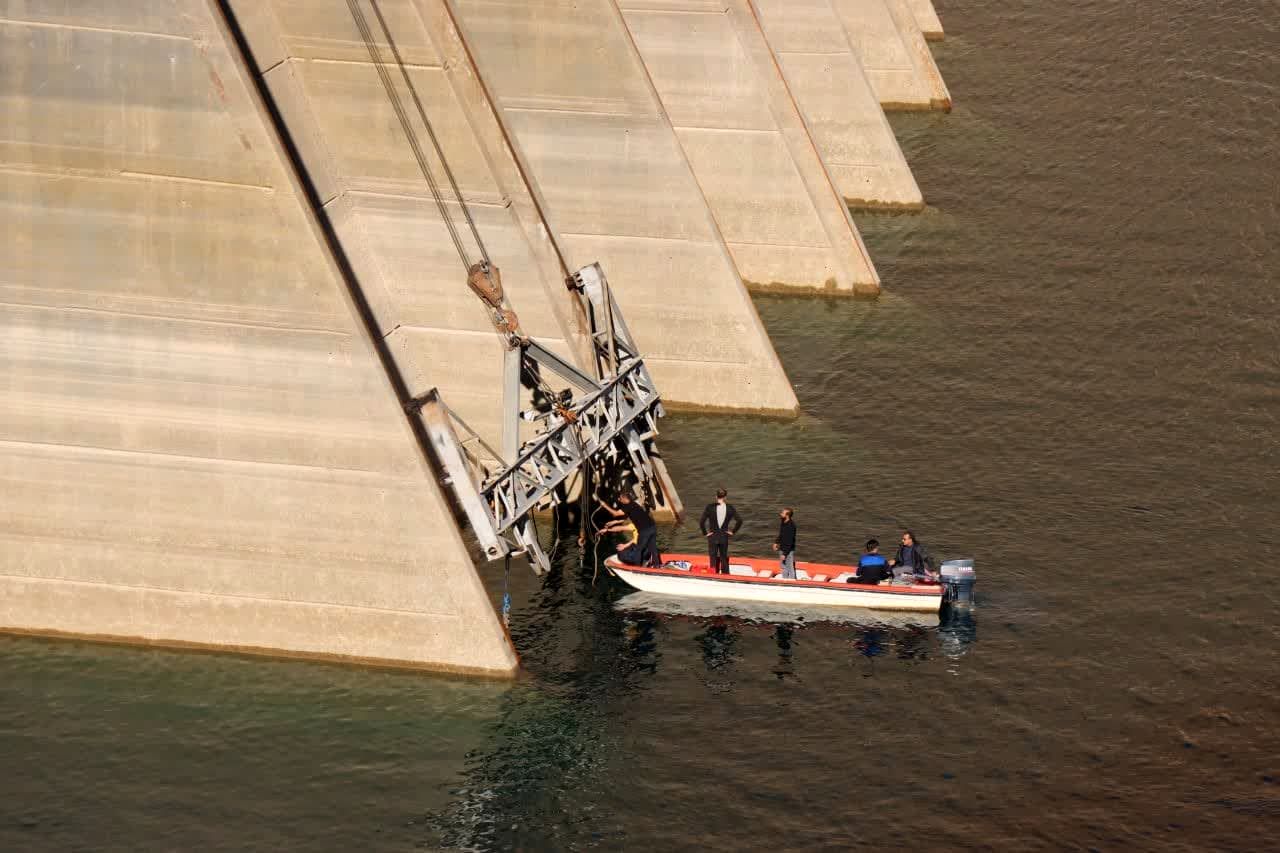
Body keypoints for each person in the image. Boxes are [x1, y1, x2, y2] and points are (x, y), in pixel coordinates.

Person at [601, 492, 659, 567]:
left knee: (639, 550)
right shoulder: (634, 504)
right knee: (653, 548)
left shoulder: (627, 506)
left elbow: (615, 513)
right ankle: (657, 565)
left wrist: (604, 505)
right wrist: (614, 522)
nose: (619, 500)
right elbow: (626, 516)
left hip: (645, 530)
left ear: (625, 499)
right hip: (652, 527)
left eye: (620, 498)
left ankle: (638, 568)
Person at [699, 488, 742, 574]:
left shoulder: (710, 507)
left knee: (713, 557)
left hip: (712, 535)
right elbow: (739, 521)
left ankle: (713, 575)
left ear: (716, 496)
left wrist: (705, 533)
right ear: (725, 497)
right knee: (723, 557)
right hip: (724, 536)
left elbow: (701, 522)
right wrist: (733, 531)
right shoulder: (730, 508)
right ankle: (726, 575)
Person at [772, 508, 797, 579]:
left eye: (782, 513)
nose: (780, 514)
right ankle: (785, 580)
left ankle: (792, 583)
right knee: (783, 567)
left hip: (788, 550)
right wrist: (776, 542)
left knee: (790, 568)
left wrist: (785, 553)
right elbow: (781, 534)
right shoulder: (783, 522)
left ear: (787, 515)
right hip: (782, 548)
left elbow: (790, 541)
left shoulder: (791, 526)